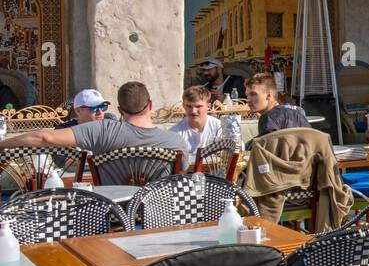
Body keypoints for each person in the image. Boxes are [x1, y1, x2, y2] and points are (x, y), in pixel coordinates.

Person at [0, 81, 182, 155]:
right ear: (150, 105)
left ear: (119, 110)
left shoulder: (103, 130)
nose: (100, 112)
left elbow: (44, 137)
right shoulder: (176, 142)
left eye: (103, 107)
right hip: (160, 218)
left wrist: (2, 144)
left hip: (112, 214)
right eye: (95, 108)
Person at [170, 84, 224, 167]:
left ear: (208, 106)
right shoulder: (175, 132)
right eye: (189, 106)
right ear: (183, 106)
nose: (193, 111)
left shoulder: (219, 127)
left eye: (198, 106)